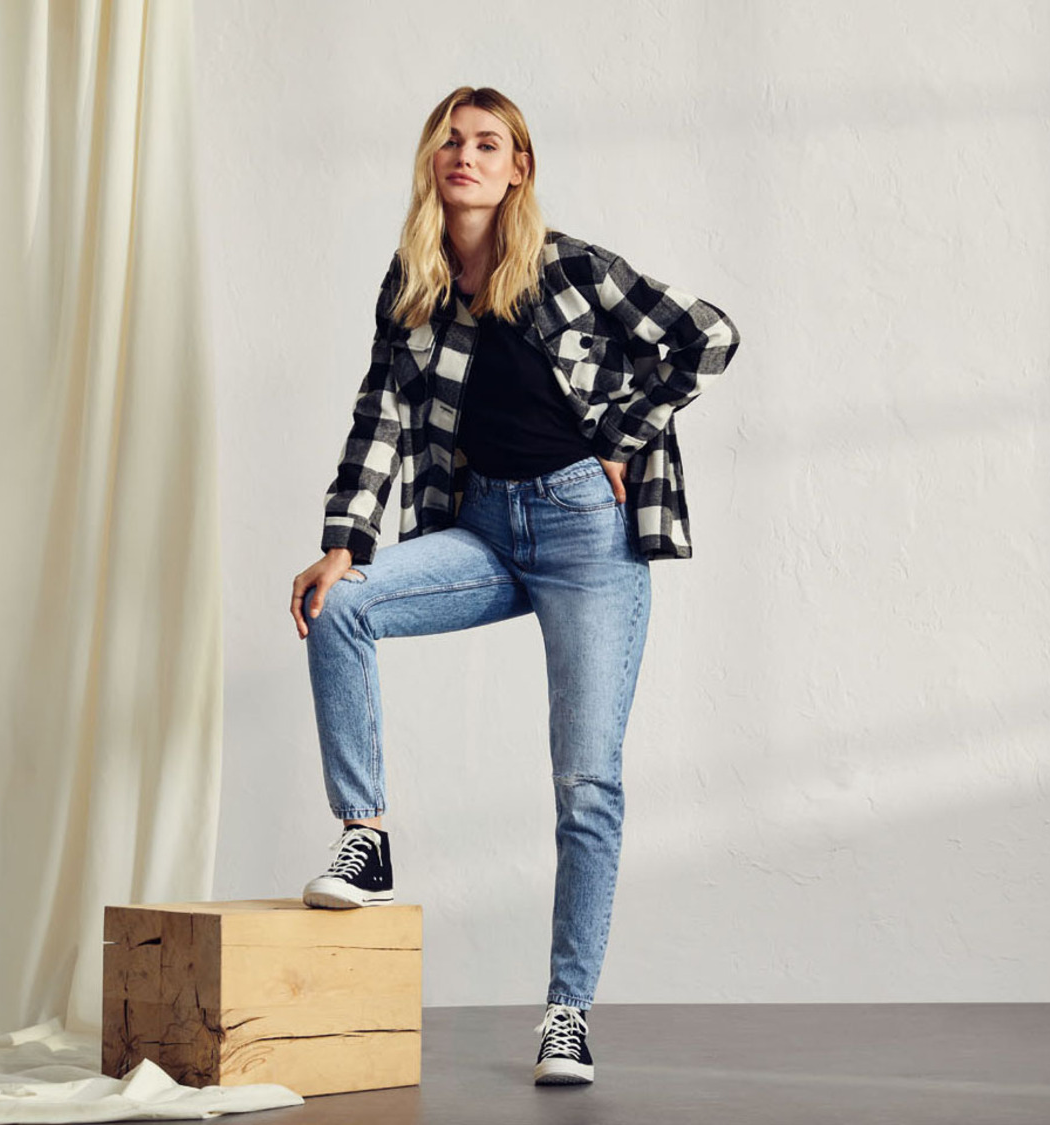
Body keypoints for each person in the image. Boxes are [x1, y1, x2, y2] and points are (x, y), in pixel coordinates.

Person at [287, 85, 740, 1087]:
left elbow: (708, 335)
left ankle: (567, 1014)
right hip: (484, 529)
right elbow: (379, 415)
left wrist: (623, 436)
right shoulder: (413, 286)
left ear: (518, 168)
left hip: (587, 538)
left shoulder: (572, 269)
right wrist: (344, 541)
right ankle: (366, 838)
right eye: (451, 141)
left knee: (587, 783)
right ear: (431, 161)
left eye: (488, 143)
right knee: (340, 605)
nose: (467, 155)